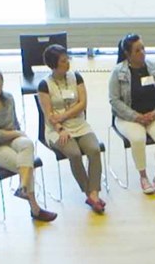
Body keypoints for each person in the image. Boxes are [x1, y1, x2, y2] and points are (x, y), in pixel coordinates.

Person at [0, 66, 56, 223]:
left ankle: (23, 187)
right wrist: (17, 133)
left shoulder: (8, 98)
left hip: (11, 139)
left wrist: (18, 134)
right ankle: (35, 208)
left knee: (27, 144)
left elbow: (14, 124)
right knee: (24, 164)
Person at [38, 44, 105, 214]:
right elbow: (49, 115)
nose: (67, 63)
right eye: (63, 61)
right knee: (74, 154)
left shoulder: (76, 77)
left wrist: (63, 116)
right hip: (57, 130)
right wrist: (60, 128)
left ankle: (94, 193)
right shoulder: (44, 85)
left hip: (79, 124)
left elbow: (82, 103)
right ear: (54, 64)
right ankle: (89, 193)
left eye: (67, 59)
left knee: (94, 149)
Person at [108, 33, 155, 194]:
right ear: (128, 54)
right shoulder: (118, 72)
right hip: (128, 118)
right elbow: (114, 100)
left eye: (143, 48)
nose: (142, 52)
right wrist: (135, 116)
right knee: (138, 139)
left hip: (153, 115)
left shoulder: (154, 68)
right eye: (137, 50)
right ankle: (143, 177)